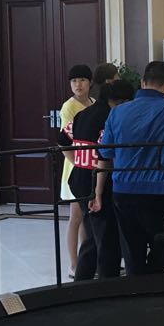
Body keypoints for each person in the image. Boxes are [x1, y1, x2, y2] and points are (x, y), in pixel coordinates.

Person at [94, 61, 164, 275]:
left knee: (132, 250)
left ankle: (137, 289)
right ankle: (156, 288)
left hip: (123, 190)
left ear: (143, 82)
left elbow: (105, 152)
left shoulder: (118, 112)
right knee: (162, 247)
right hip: (158, 191)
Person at [70, 79, 135, 280]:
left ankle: (82, 280)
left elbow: (63, 140)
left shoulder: (82, 114)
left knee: (92, 235)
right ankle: (108, 283)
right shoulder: (109, 116)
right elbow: (103, 156)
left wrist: (79, 161)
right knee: (107, 238)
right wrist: (98, 192)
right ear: (122, 101)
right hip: (98, 180)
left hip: (78, 177)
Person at [58, 64, 94, 278]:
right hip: (75, 168)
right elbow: (65, 142)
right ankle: (73, 264)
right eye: (74, 81)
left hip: (90, 166)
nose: (78, 85)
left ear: (90, 82)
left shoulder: (94, 103)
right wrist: (78, 163)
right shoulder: (68, 107)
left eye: (82, 80)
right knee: (76, 217)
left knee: (86, 218)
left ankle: (86, 261)